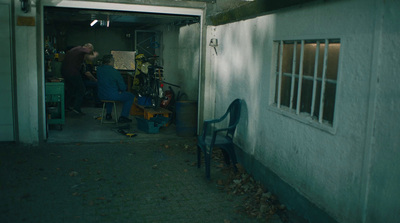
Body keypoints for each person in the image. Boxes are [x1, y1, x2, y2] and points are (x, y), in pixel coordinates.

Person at [61, 43, 99, 115]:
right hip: (73, 72)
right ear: (88, 47)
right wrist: (95, 55)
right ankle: (76, 109)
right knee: (81, 89)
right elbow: (89, 56)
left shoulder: (75, 49)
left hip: (65, 72)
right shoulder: (82, 50)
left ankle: (65, 106)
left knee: (70, 90)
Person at [97, 54, 135, 123]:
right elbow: (122, 87)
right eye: (113, 61)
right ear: (110, 62)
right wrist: (120, 90)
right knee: (130, 96)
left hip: (101, 95)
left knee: (109, 93)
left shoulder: (99, 70)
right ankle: (123, 117)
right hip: (112, 95)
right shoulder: (115, 72)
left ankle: (108, 114)